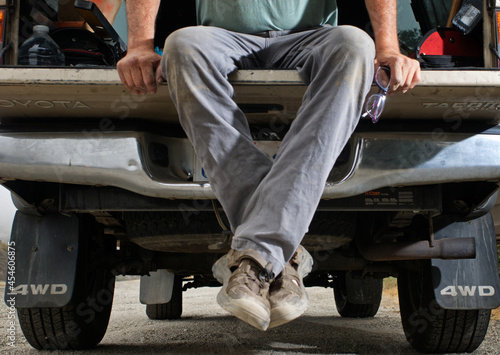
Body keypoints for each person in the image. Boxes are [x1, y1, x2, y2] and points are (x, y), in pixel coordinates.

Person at [117, 0, 421, 331]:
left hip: (311, 36)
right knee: (181, 46)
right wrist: (140, 45)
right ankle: (280, 257)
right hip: (217, 36)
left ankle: (256, 260)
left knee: (355, 44)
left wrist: (388, 45)